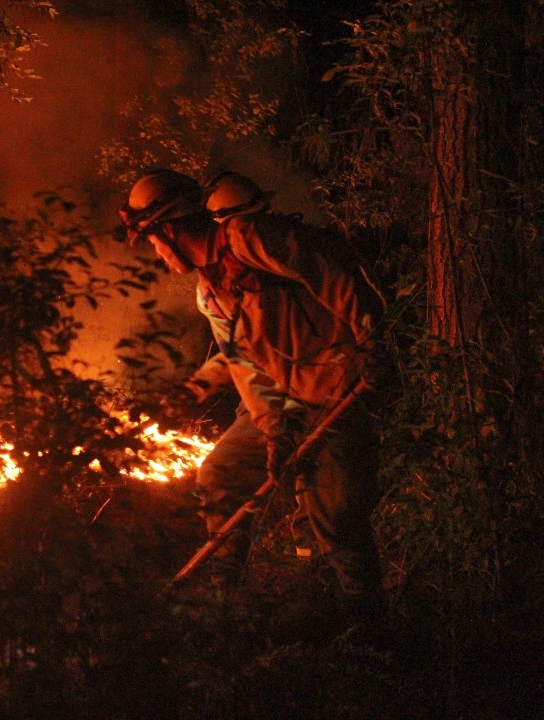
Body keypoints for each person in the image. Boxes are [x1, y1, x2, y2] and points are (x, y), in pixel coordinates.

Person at [121, 169, 384, 612]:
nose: (158, 254)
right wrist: (272, 430)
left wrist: (371, 339)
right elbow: (242, 363)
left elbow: (333, 273)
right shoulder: (210, 291)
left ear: (167, 230)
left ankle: (368, 623)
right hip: (281, 400)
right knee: (220, 475)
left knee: (335, 518)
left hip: (335, 391)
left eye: (152, 243)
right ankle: (224, 597)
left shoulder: (249, 237)